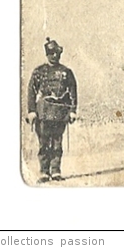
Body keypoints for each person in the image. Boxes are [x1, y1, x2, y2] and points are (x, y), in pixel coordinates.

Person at [26, 38, 78, 182]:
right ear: (47, 54)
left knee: (57, 142)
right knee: (44, 143)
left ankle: (55, 170)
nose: (54, 56)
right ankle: (44, 171)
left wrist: (73, 110)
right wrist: (31, 111)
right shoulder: (39, 71)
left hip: (60, 113)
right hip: (42, 112)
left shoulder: (66, 72)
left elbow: (73, 91)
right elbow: (31, 91)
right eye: (51, 53)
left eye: (56, 53)